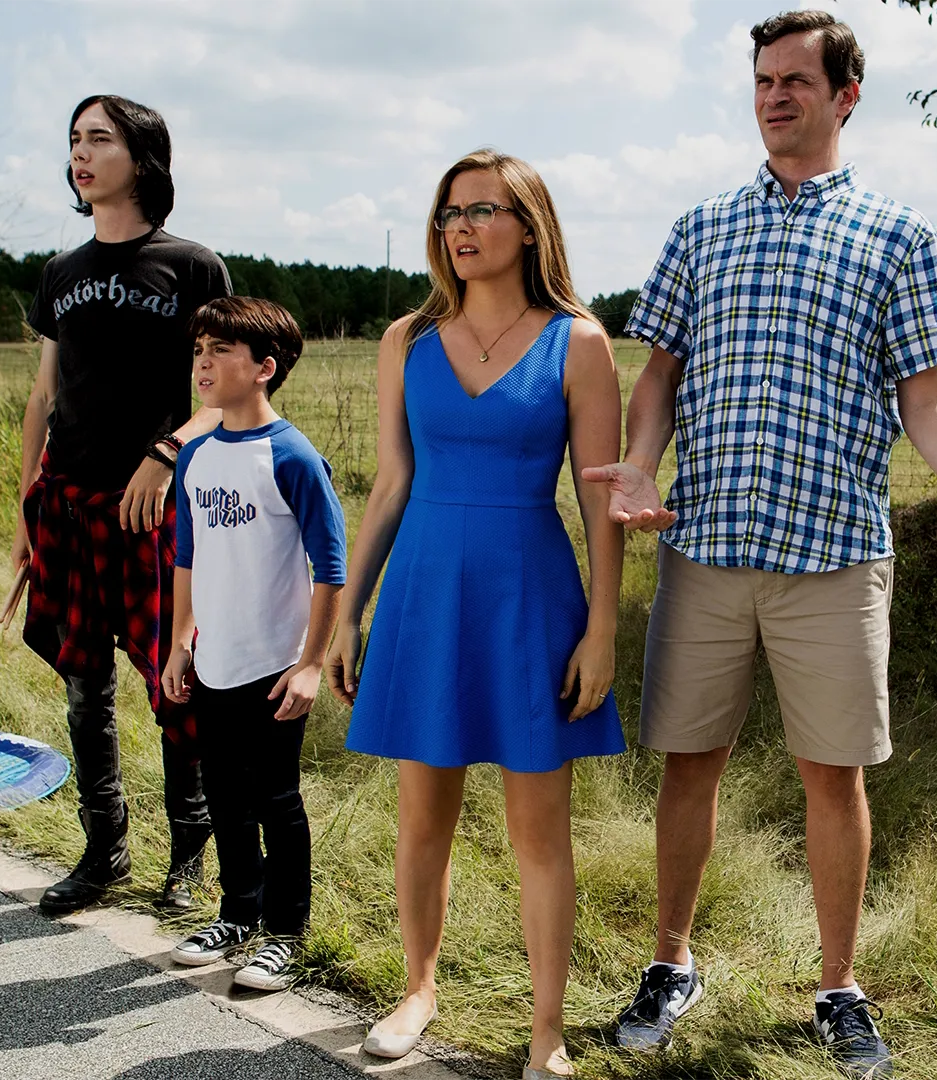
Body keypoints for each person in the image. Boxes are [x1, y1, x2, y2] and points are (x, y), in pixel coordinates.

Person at [582, 11, 937, 1078]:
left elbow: (926, 394)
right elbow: (659, 372)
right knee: (689, 764)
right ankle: (671, 963)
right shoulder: (703, 226)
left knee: (833, 775)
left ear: (846, 95)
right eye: (763, 80)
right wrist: (640, 463)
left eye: (795, 80)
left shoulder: (897, 236)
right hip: (706, 546)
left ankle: (839, 988)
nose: (774, 96)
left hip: (836, 555)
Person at [326, 148, 626, 1080]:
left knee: (540, 831)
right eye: (451, 212)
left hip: (529, 598)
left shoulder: (579, 341)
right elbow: (390, 484)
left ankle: (547, 1032)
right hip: (424, 593)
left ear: (529, 227)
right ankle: (418, 990)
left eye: (484, 210)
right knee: (424, 818)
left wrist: (604, 628)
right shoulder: (406, 340)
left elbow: (601, 500)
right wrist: (347, 615)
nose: (461, 227)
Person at [15, 94, 234, 915]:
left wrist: (166, 453)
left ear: (142, 159)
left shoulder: (191, 266)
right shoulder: (60, 274)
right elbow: (44, 397)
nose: (80, 153)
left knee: (177, 683)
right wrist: (24, 516)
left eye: (98, 139)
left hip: (155, 513)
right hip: (66, 508)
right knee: (83, 688)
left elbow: (226, 391)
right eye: (74, 140)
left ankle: (189, 860)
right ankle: (103, 852)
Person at [159, 296, 346, 991]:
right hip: (214, 662)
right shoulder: (195, 456)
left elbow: (332, 568)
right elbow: (186, 558)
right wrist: (180, 643)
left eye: (221, 351)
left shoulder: (292, 455)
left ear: (265, 367)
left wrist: (310, 665)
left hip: (274, 666)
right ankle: (238, 913)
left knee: (275, 799)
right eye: (198, 351)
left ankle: (286, 934)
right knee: (225, 795)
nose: (203, 363)